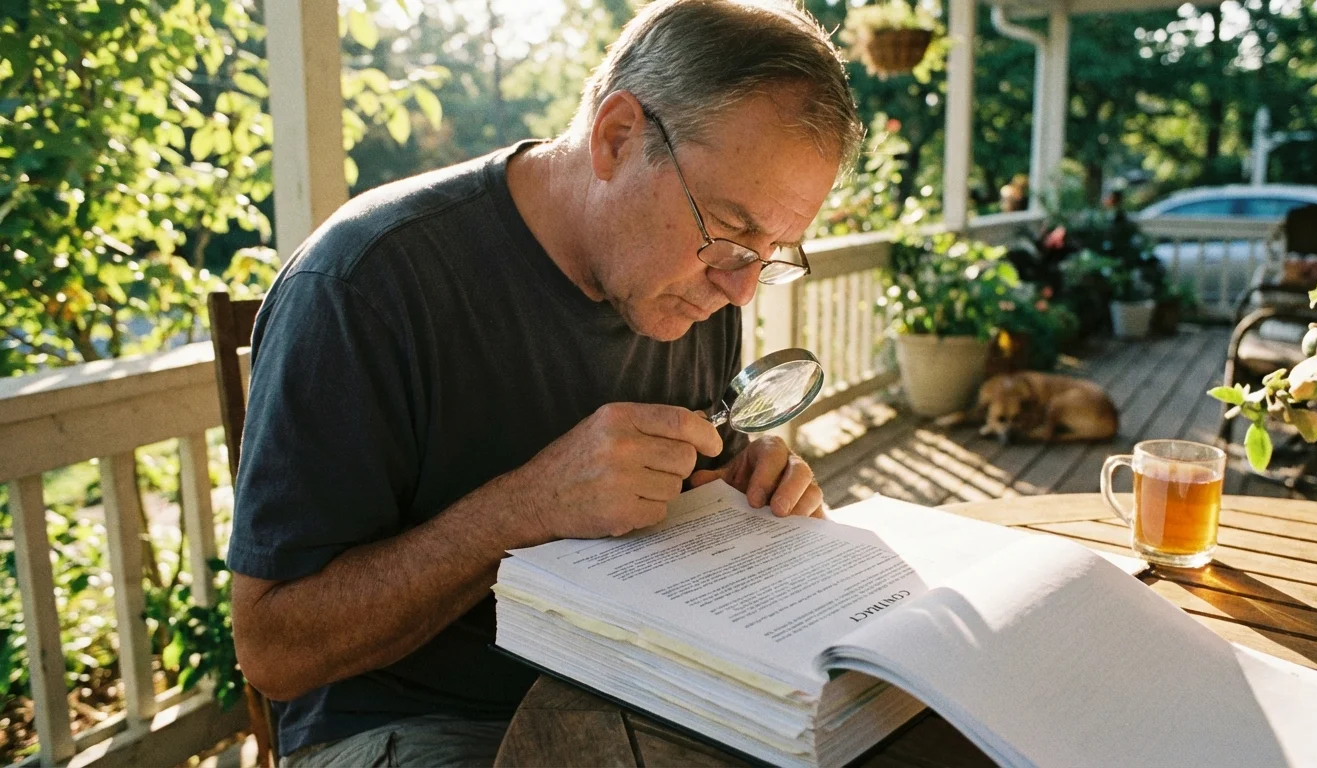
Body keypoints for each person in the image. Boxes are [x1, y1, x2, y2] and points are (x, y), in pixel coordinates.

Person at [226, 0, 865, 765]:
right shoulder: (367, 283)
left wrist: (744, 493)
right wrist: (522, 510)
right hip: (412, 723)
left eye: (776, 249)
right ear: (617, 138)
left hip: (639, 691)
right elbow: (272, 649)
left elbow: (682, 498)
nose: (741, 290)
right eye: (729, 232)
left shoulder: (696, 290)